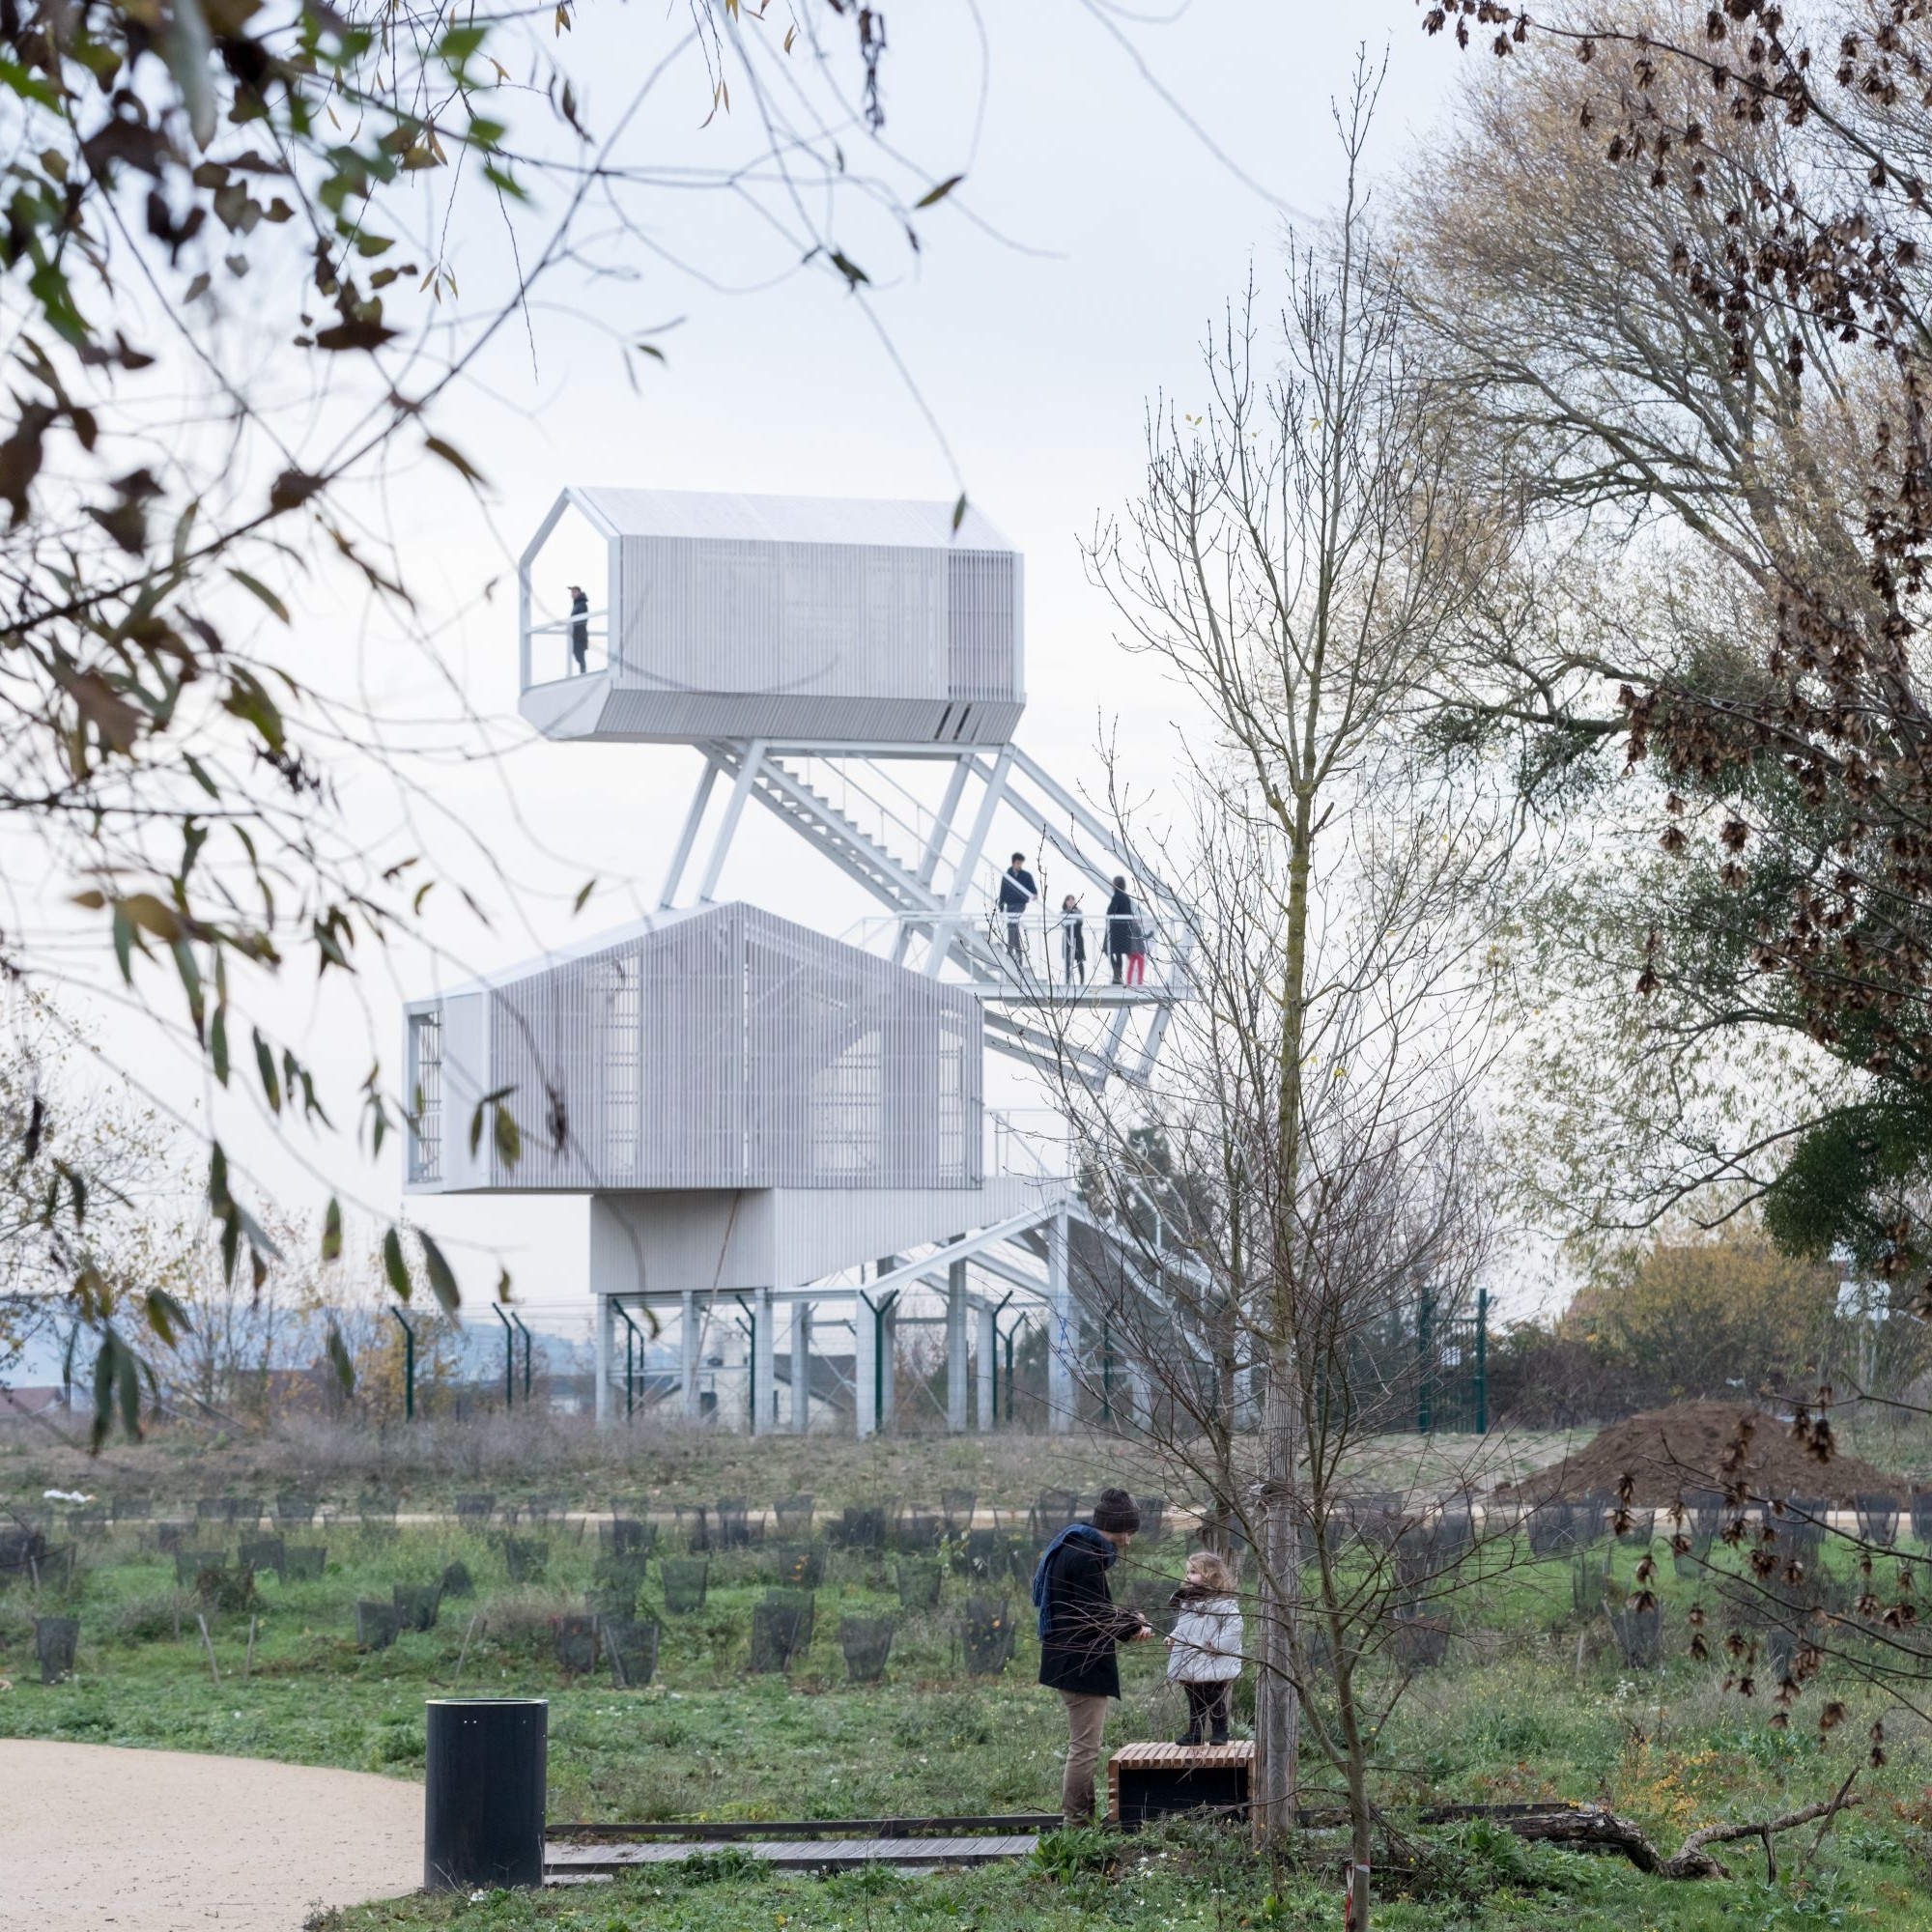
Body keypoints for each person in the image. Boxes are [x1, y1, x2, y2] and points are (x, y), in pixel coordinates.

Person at [1032, 1488, 1154, 1824]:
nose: (1127, 1542)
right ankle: (1077, 1824)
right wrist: (1133, 1625)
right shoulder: (1087, 1557)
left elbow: (1089, 1608)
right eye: (1128, 1533)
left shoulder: (1073, 1545)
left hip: (1068, 1661)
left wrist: (1128, 1622)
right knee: (1084, 1750)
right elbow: (1095, 1616)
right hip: (1080, 1666)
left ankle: (1083, 1821)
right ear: (1115, 1528)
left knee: (1083, 1747)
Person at [1165, 1549, 1242, 1746]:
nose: (1187, 1576)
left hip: (1211, 1659)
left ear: (1211, 1575)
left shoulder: (1222, 1603)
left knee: (1213, 1696)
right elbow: (1184, 1627)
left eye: (1193, 1572)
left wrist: (1217, 1646)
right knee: (1194, 1699)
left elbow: (1234, 1627)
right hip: (1191, 1659)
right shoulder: (1189, 1602)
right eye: (1188, 1572)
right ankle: (1195, 1733)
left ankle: (1220, 1731)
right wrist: (1172, 1637)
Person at [998, 852, 1037, 967]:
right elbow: (1002, 892)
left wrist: (1033, 895)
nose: (1019, 865)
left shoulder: (1026, 875)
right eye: (1018, 863)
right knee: (1012, 926)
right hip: (1010, 904)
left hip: (1020, 904)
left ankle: (1010, 950)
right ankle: (1019, 956)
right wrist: (1001, 907)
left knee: (1012, 924)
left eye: (1021, 863)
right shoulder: (1007, 875)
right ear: (1013, 862)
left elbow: (1033, 890)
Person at [1105, 876, 1137, 984]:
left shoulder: (1117, 897)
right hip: (1124, 930)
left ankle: (1117, 973)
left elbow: (1110, 912)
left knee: (1107, 949)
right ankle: (1117, 976)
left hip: (1115, 930)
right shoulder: (1126, 897)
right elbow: (1129, 913)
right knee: (1118, 953)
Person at [1059, 894, 1086, 984]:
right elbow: (1063, 923)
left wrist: (1072, 919)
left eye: (1072, 900)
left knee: (1079, 960)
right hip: (1067, 939)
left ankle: (1082, 981)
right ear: (1065, 902)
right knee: (1067, 961)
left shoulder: (1078, 912)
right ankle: (1067, 981)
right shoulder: (1063, 913)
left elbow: (1080, 922)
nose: (1071, 902)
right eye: (1068, 900)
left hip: (1077, 938)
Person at [568, 583, 589, 674]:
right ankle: (583, 673)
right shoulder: (578, 604)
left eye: (573, 592)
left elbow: (582, 620)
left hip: (580, 635)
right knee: (577, 654)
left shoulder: (581, 605)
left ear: (578, 592)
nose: (571, 594)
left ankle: (583, 673)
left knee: (579, 655)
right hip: (576, 634)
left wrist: (578, 632)